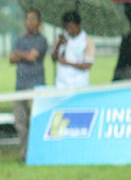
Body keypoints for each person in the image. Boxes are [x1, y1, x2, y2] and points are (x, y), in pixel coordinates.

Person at [9, 9, 48, 163]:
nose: (30, 22)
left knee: (34, 121)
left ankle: (36, 153)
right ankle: (24, 154)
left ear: (38, 22)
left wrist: (20, 54)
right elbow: (12, 59)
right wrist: (23, 54)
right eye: (27, 19)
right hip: (20, 86)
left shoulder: (41, 40)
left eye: (33, 19)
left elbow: (33, 57)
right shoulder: (20, 39)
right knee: (20, 123)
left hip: (35, 86)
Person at [52, 10, 94, 89]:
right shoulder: (62, 38)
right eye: (66, 27)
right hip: (61, 85)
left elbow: (87, 65)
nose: (69, 30)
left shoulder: (87, 40)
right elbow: (53, 59)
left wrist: (68, 63)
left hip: (79, 85)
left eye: (71, 27)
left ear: (79, 25)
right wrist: (59, 44)